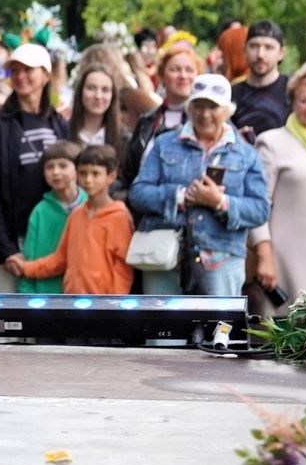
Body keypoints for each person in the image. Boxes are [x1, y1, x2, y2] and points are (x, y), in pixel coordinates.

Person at [128, 74, 271, 295]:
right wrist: (180, 196)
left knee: (218, 319)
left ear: (227, 111)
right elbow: (138, 193)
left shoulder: (245, 154)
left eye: (213, 107)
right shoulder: (164, 143)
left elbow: (260, 210)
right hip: (165, 258)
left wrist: (220, 202)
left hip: (222, 260)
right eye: (198, 106)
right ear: (189, 108)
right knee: (161, 319)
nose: (205, 114)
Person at [250, 61, 306, 315]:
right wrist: (264, 256)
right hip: (286, 259)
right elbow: (258, 204)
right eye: (304, 100)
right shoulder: (272, 142)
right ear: (292, 102)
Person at [0, 43, 70, 293]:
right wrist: (6, 249)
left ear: (46, 75)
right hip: (12, 238)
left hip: (52, 236)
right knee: (8, 314)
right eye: (15, 71)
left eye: (28, 70)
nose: (20, 76)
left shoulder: (59, 124)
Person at [17, 144, 135, 295]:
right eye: (83, 173)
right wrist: (26, 268)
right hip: (73, 300)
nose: (88, 180)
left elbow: (123, 270)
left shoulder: (119, 217)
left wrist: (115, 303)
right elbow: (60, 259)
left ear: (111, 177)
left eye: (95, 174)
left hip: (103, 302)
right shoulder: (76, 214)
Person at [121, 42, 202, 200]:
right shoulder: (146, 121)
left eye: (189, 70)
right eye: (175, 69)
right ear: (162, 76)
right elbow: (128, 174)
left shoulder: (208, 121)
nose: (183, 76)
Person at [19, 140, 84, 294]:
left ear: (77, 170)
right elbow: (29, 259)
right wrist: (27, 295)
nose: (55, 172)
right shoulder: (40, 212)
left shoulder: (91, 206)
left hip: (85, 295)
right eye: (49, 167)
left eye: (63, 166)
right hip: (46, 295)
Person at [231, 20, 290, 141]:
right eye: (254, 46)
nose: (260, 55)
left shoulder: (293, 92)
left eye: (269, 47)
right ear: (244, 50)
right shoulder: (231, 95)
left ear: (281, 53)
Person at [68, 63, 126, 154]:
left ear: (113, 95)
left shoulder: (124, 140)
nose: (98, 96)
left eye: (105, 90)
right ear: (80, 91)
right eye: (91, 88)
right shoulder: (62, 132)